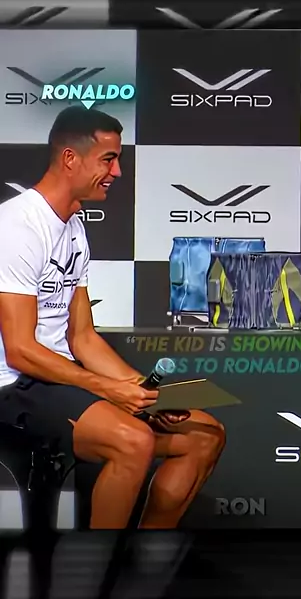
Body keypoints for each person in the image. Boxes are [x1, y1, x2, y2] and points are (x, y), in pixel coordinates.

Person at [0, 106, 225, 529]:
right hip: (13, 385)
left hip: (56, 379)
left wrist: (144, 393)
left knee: (205, 434)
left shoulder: (73, 228)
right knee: (133, 440)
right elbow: (20, 349)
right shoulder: (17, 226)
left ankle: (142, 556)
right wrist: (108, 389)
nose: (117, 172)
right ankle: (94, 565)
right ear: (70, 158)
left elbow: (83, 337)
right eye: (108, 159)